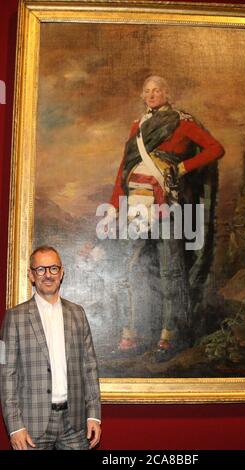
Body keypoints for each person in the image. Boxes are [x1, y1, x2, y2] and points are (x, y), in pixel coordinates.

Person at [108, 75, 225, 361]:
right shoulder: (137, 126)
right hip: (135, 207)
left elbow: (215, 149)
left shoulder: (183, 122)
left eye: (157, 90)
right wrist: (114, 207)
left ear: (167, 93)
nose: (151, 95)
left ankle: (170, 337)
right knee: (132, 269)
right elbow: (124, 169)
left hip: (167, 207)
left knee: (170, 271)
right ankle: (131, 335)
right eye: (146, 91)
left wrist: (183, 167)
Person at [0, 246, 101, 450]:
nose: (47, 275)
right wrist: (14, 426)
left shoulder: (78, 314)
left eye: (53, 268)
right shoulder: (13, 317)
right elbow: (5, 374)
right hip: (30, 425)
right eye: (40, 269)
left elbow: (89, 367)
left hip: (75, 424)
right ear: (31, 274)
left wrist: (94, 415)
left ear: (62, 272)